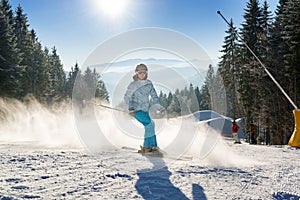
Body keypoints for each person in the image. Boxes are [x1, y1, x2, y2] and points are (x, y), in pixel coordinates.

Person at [124, 64, 165, 153]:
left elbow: (154, 96)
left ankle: (153, 146)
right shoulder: (133, 85)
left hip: (145, 110)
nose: (142, 74)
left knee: (151, 124)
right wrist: (131, 108)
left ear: (146, 73)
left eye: (144, 72)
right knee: (149, 124)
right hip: (136, 110)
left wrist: (159, 107)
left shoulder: (148, 84)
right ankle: (147, 147)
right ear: (137, 73)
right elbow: (127, 97)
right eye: (140, 73)